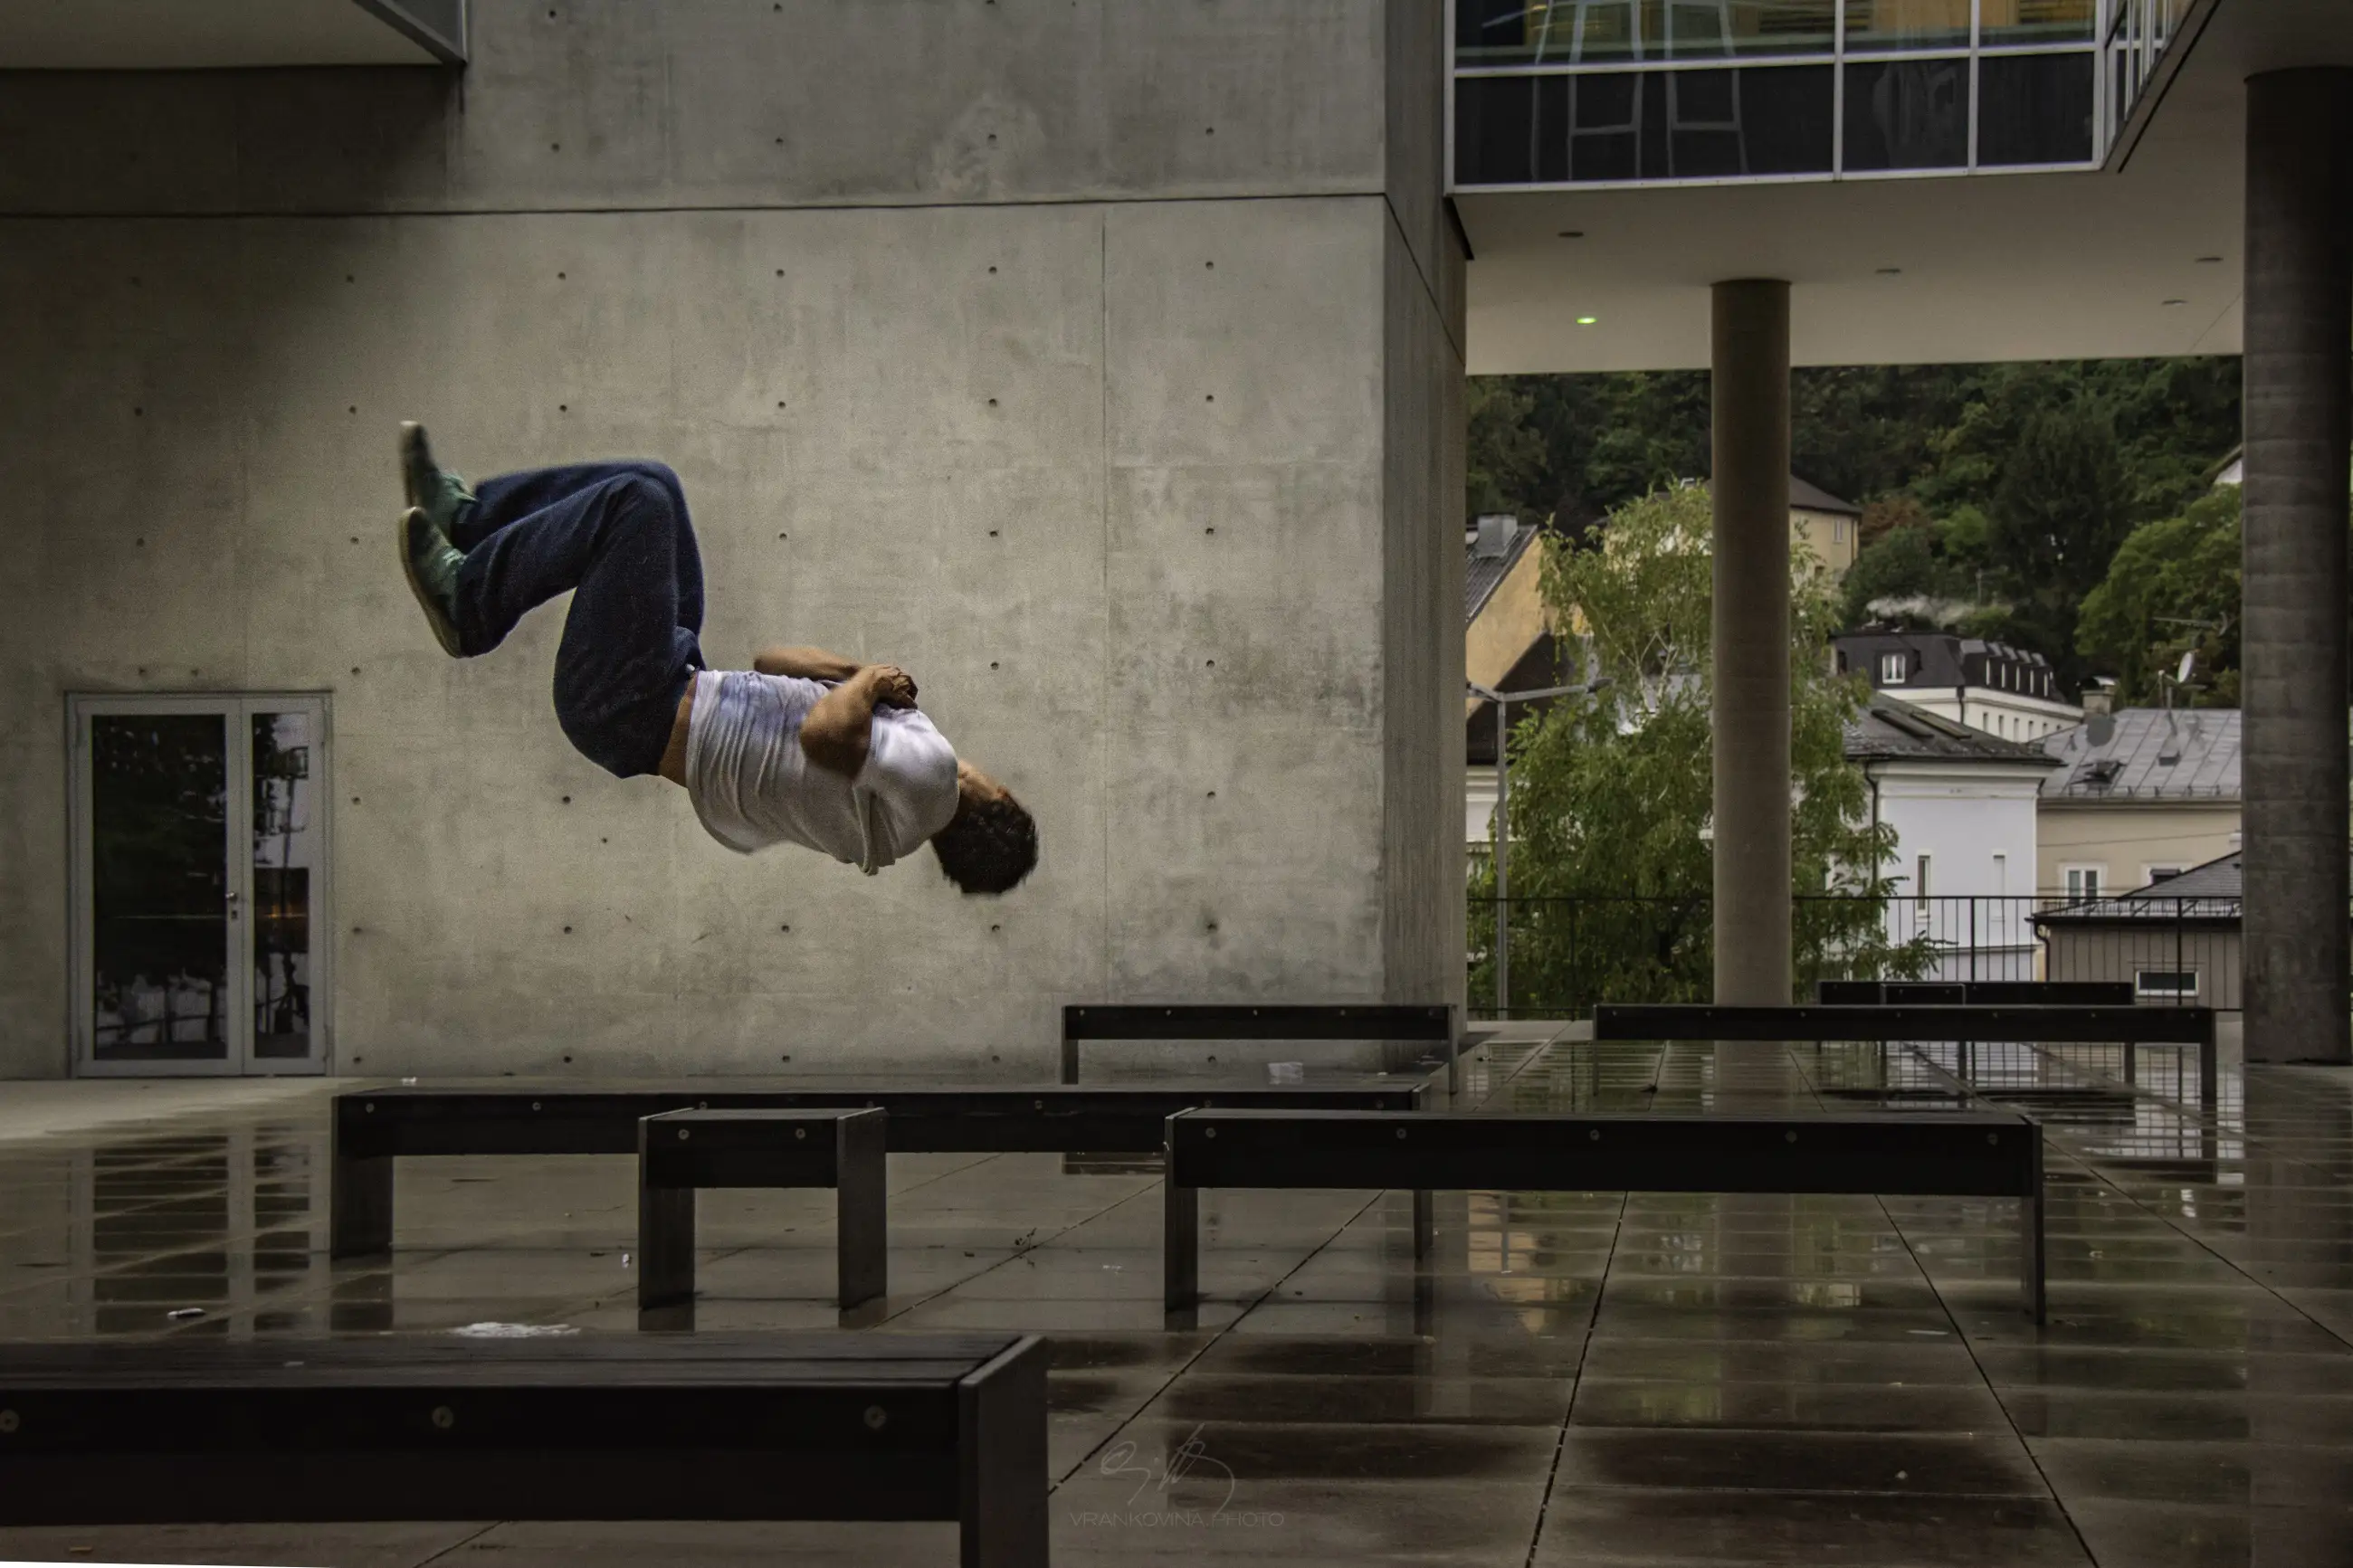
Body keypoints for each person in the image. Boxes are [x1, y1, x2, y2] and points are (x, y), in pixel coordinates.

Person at [393, 423, 1037, 894]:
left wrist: (870, 682)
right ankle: (472, 521)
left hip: (636, 705)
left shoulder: (931, 777)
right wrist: (858, 676)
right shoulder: (898, 813)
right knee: (658, 487)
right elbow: (773, 659)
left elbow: (821, 733)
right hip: (674, 679)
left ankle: (469, 603)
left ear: (999, 796)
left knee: (634, 506)